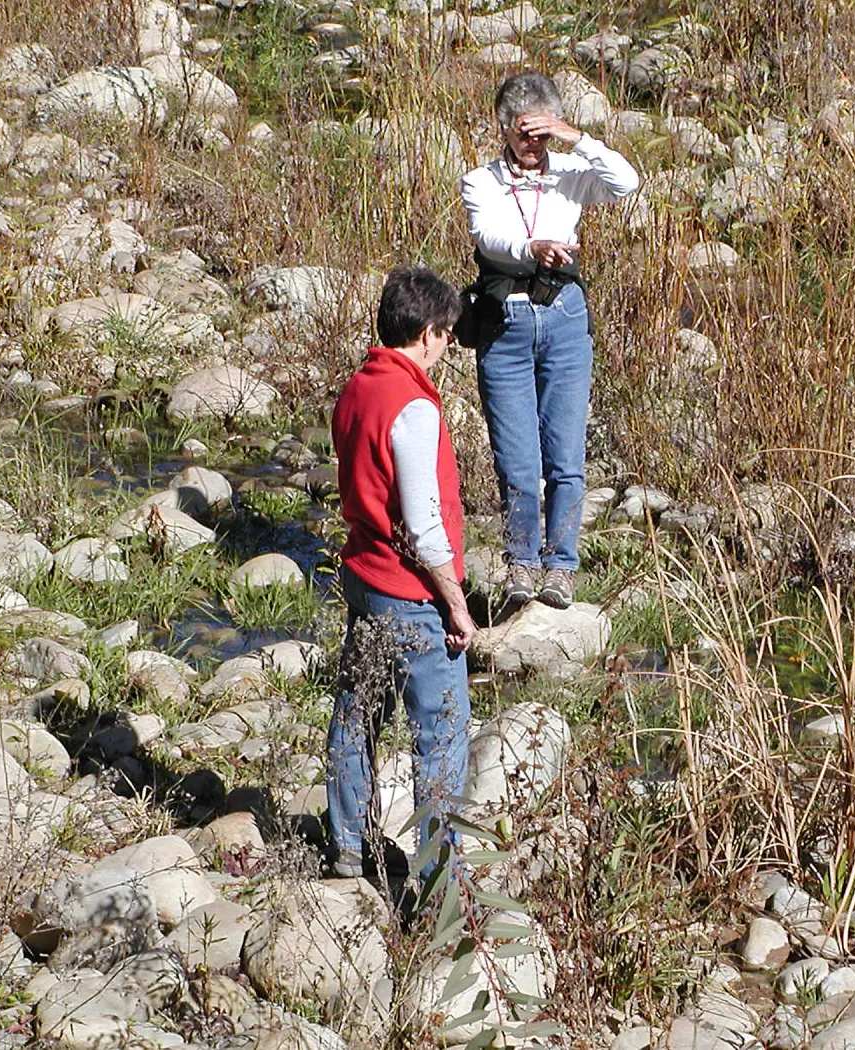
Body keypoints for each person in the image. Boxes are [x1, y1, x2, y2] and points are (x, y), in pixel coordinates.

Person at [460, 70, 640, 609]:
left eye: (541, 134)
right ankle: (522, 561)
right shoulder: (481, 181)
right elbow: (487, 235)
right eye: (523, 134)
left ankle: (560, 566)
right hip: (507, 325)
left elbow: (627, 182)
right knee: (516, 459)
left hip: (564, 319)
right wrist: (530, 246)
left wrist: (573, 135)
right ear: (504, 131)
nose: (532, 146)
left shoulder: (570, 171)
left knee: (566, 455)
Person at [327, 266, 478, 884]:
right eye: (445, 335)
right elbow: (422, 525)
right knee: (439, 738)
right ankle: (442, 885)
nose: (447, 348)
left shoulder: (357, 387)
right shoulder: (413, 408)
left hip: (364, 576)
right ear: (425, 333)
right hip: (409, 593)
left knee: (358, 713)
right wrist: (457, 604)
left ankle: (345, 845)